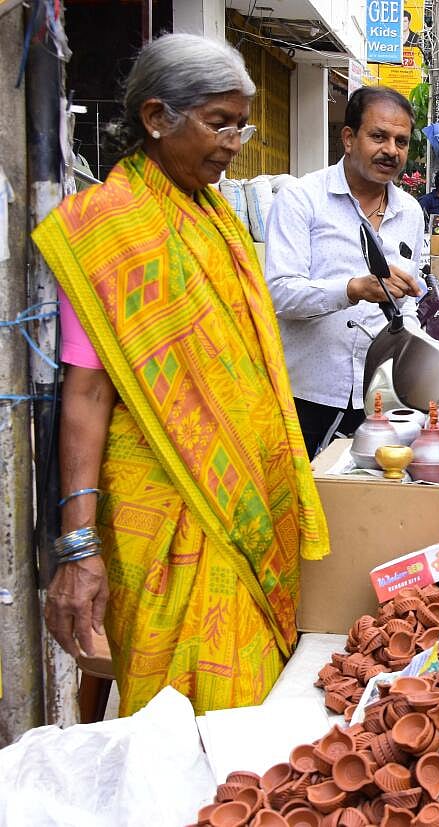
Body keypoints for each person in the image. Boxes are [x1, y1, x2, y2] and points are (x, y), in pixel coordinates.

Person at [32, 34, 329, 716]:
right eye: (219, 122)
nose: (235, 142)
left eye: (241, 124)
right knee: (181, 713)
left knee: (245, 702)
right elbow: (87, 391)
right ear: (157, 117)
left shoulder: (217, 220)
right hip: (161, 507)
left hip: (241, 496)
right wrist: (79, 546)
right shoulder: (108, 228)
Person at [266, 86, 425, 459]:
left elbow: (409, 305)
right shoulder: (302, 198)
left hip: (380, 401)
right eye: (378, 136)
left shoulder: (411, 213)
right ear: (349, 138)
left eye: (401, 141)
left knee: (368, 508)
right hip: (307, 396)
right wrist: (352, 289)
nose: (391, 150)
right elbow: (279, 294)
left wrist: (418, 356)